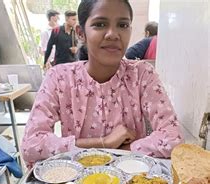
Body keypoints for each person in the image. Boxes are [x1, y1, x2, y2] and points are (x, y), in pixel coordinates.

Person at [21, 0, 183, 167]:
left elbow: (173, 138)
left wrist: (118, 149)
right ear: (81, 33)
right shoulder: (60, 78)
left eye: (123, 25)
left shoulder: (142, 75)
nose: (113, 34)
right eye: (100, 24)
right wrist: (104, 142)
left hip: (134, 183)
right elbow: (31, 145)